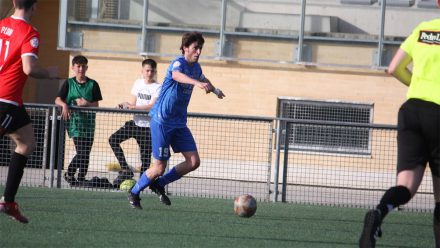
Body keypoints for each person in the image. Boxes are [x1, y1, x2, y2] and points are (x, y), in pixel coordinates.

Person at [359, 1, 440, 247]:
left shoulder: (423, 29)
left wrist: (419, 86)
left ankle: (378, 213)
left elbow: (394, 68)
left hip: (411, 110)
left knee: (405, 186)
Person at [127, 31, 225, 209]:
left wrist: (216, 90)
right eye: (195, 48)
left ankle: (159, 184)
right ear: (185, 48)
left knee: (194, 162)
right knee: (159, 167)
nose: (198, 52)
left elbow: (203, 79)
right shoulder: (177, 63)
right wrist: (196, 83)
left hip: (179, 123)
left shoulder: (197, 68)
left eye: (200, 49)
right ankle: (134, 192)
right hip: (162, 121)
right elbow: (176, 76)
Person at [0, 0, 58, 223]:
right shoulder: (30, 32)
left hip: (14, 102)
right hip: (5, 100)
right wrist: (50, 74)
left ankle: (8, 201)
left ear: (14, 2)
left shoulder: (2, 24)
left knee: (27, 144)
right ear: (34, 7)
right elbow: (29, 68)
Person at [109, 58, 161, 187]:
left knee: (145, 160)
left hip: (148, 128)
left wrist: (133, 107)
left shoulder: (158, 87)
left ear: (155, 72)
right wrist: (124, 104)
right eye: (147, 70)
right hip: (135, 124)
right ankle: (125, 169)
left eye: (152, 71)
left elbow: (151, 106)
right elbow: (132, 103)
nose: (149, 73)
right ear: (142, 71)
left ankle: (141, 186)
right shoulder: (138, 83)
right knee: (113, 139)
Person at [55, 55, 102, 186]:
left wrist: (86, 103)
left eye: (83, 66)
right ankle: (69, 173)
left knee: (86, 152)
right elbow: (57, 99)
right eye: (78, 66)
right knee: (82, 151)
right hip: (74, 123)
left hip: (89, 123)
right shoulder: (68, 83)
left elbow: (96, 105)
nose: (81, 69)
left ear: (86, 67)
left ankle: (81, 177)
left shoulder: (93, 84)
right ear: (73, 68)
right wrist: (64, 105)